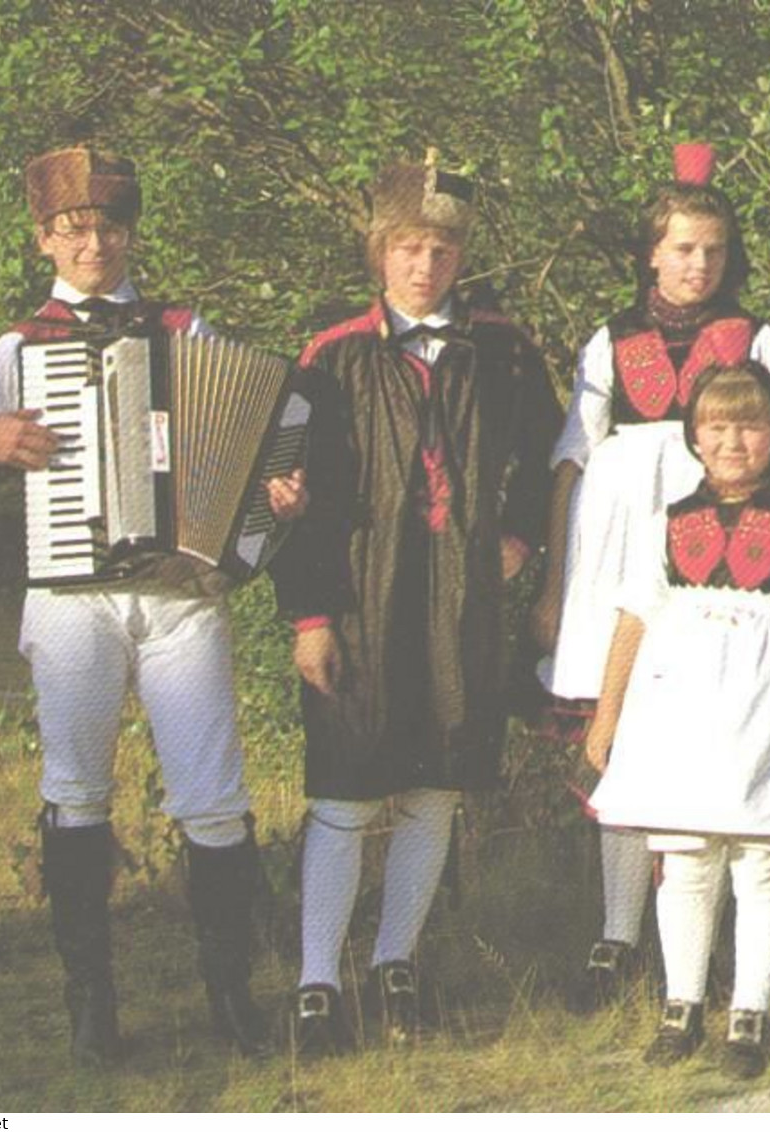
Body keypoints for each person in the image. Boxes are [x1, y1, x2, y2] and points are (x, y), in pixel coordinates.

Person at [0, 145, 293, 1064]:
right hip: (69, 597)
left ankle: (231, 997)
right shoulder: (21, 346)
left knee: (213, 796)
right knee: (77, 793)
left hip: (178, 596)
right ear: (44, 237)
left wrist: (270, 494)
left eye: (109, 226)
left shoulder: (186, 328)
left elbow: (251, 432)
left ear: (130, 233)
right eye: (73, 228)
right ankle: (92, 1005)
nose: (93, 244)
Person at [271, 152, 562, 1056]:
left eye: (441, 248)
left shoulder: (504, 350)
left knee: (438, 785)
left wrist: (523, 535)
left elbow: (560, 455)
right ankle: (319, 981)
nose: (425, 265)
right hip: (361, 593)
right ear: (379, 252)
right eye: (408, 247)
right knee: (348, 792)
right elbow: (286, 496)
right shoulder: (330, 352)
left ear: (459, 255)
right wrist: (310, 616)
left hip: (461, 598)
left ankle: (396, 960)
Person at [531, 143, 770, 1009]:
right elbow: (570, 462)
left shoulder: (757, 337)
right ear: (652, 253)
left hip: (728, 558)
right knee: (628, 742)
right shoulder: (611, 342)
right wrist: (552, 586)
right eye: (683, 248)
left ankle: (723, 944)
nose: (699, 264)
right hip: (618, 555)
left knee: (718, 733)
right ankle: (620, 934)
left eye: (714, 250)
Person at [584, 362, 770, 1078]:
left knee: (764, 864)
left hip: (768, 718)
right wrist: (607, 714)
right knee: (686, 860)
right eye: (717, 426)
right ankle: (683, 1007)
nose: (733, 441)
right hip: (681, 719)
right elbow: (632, 619)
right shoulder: (668, 523)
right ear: (694, 438)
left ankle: (750, 1015)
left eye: (750, 424)